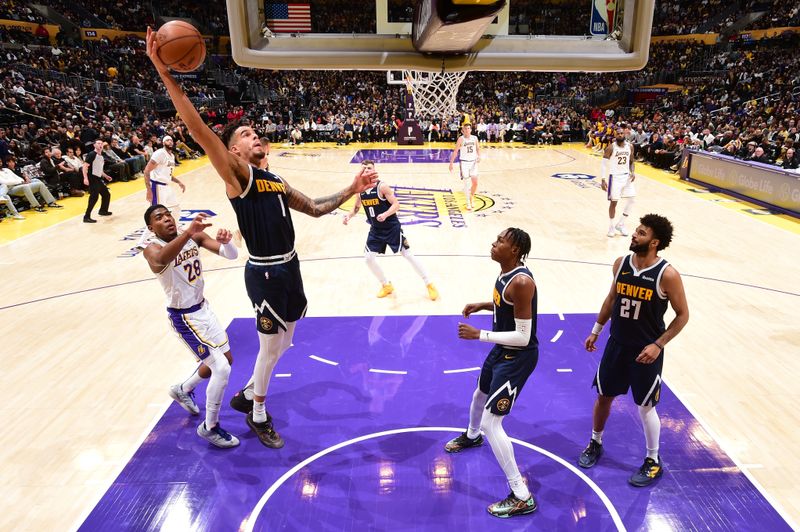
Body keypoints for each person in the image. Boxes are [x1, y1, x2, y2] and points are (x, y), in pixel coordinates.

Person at [146, 28, 377, 449]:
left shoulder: (274, 178)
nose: (255, 136)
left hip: (290, 267)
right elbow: (198, 128)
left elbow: (314, 207)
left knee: (285, 341)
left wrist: (351, 189)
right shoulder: (240, 176)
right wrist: (165, 73)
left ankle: (249, 392)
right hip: (265, 273)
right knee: (271, 345)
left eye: (255, 133)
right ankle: (257, 412)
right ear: (233, 151)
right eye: (246, 134)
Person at [578, 214, 689, 486]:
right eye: (636, 231)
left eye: (641, 233)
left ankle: (653, 460)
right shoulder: (621, 264)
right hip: (617, 344)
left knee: (645, 406)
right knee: (604, 396)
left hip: (645, 350)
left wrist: (658, 344)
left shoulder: (667, 274)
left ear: (655, 242)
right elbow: (611, 299)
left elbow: (683, 315)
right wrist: (596, 329)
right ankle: (595, 442)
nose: (634, 236)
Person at [448, 228, 539, 519]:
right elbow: (506, 306)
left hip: (518, 356)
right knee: (479, 394)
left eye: (501, 241)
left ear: (514, 250)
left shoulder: (522, 282)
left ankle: (521, 495)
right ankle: (472, 436)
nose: (494, 243)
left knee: (492, 422)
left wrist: (479, 335)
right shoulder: (505, 272)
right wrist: (483, 304)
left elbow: (524, 337)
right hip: (501, 349)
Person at [142, 206, 240, 449]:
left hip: (203, 309)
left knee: (227, 358)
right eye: (159, 218)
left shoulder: (193, 236)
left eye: (168, 215)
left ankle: (183, 389)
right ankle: (210, 427)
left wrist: (226, 243)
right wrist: (186, 233)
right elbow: (162, 260)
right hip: (183, 317)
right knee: (221, 368)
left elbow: (231, 255)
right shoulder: (151, 248)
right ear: (151, 228)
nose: (166, 219)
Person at [342, 160, 438, 300]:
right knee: (368, 258)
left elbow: (396, 204)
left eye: (369, 168)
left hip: (391, 227)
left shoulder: (382, 187)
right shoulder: (360, 190)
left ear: (374, 170)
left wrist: (386, 214)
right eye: (364, 169)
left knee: (408, 255)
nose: (367, 170)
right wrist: (348, 216)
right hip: (376, 230)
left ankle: (429, 283)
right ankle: (386, 285)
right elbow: (356, 208)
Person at [139, 136, 185, 248]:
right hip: (157, 187)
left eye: (171, 140)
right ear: (163, 142)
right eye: (168, 140)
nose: (170, 142)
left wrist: (178, 182)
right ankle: (142, 241)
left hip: (167, 186)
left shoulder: (172, 155)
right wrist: (149, 190)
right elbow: (146, 171)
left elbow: (167, 174)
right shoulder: (159, 153)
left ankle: (176, 229)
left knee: (176, 208)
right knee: (155, 214)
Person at [601, 124, 636, 237]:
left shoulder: (630, 146)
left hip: (626, 177)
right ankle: (611, 227)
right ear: (615, 135)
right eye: (618, 133)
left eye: (622, 133)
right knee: (614, 203)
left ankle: (620, 224)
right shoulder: (611, 148)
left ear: (624, 134)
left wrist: (633, 172)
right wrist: (603, 179)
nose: (620, 135)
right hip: (615, 177)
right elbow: (603, 165)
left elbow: (631, 161)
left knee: (632, 200)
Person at [449, 122, 480, 211]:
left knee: (475, 183)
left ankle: (471, 196)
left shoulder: (475, 138)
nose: (467, 130)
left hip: (473, 162)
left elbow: (478, 149)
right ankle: (468, 202)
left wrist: (479, 156)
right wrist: (451, 163)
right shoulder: (461, 139)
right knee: (467, 183)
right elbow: (455, 151)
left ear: (471, 130)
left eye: (468, 128)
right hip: (464, 163)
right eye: (465, 129)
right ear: (463, 131)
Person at [82, 139, 113, 223]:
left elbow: (99, 169)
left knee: (106, 194)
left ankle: (103, 211)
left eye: (101, 143)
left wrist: (106, 176)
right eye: (98, 143)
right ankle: (86, 216)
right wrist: (85, 178)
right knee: (94, 197)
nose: (100, 145)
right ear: (94, 145)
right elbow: (85, 166)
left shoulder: (101, 156)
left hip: (98, 178)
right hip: (92, 178)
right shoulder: (92, 154)